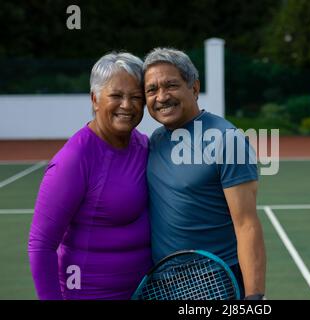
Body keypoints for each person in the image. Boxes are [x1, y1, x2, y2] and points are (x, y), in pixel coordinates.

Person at [143, 47, 266, 300]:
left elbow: (247, 225)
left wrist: (254, 297)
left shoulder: (227, 139)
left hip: (216, 283)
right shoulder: (155, 140)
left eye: (171, 85)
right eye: (151, 90)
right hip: (163, 283)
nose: (162, 96)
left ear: (195, 88)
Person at [28, 52, 152, 300]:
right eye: (116, 95)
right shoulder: (74, 160)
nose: (127, 105)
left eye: (136, 97)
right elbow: (41, 245)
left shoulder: (145, 145)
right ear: (95, 99)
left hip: (144, 292)